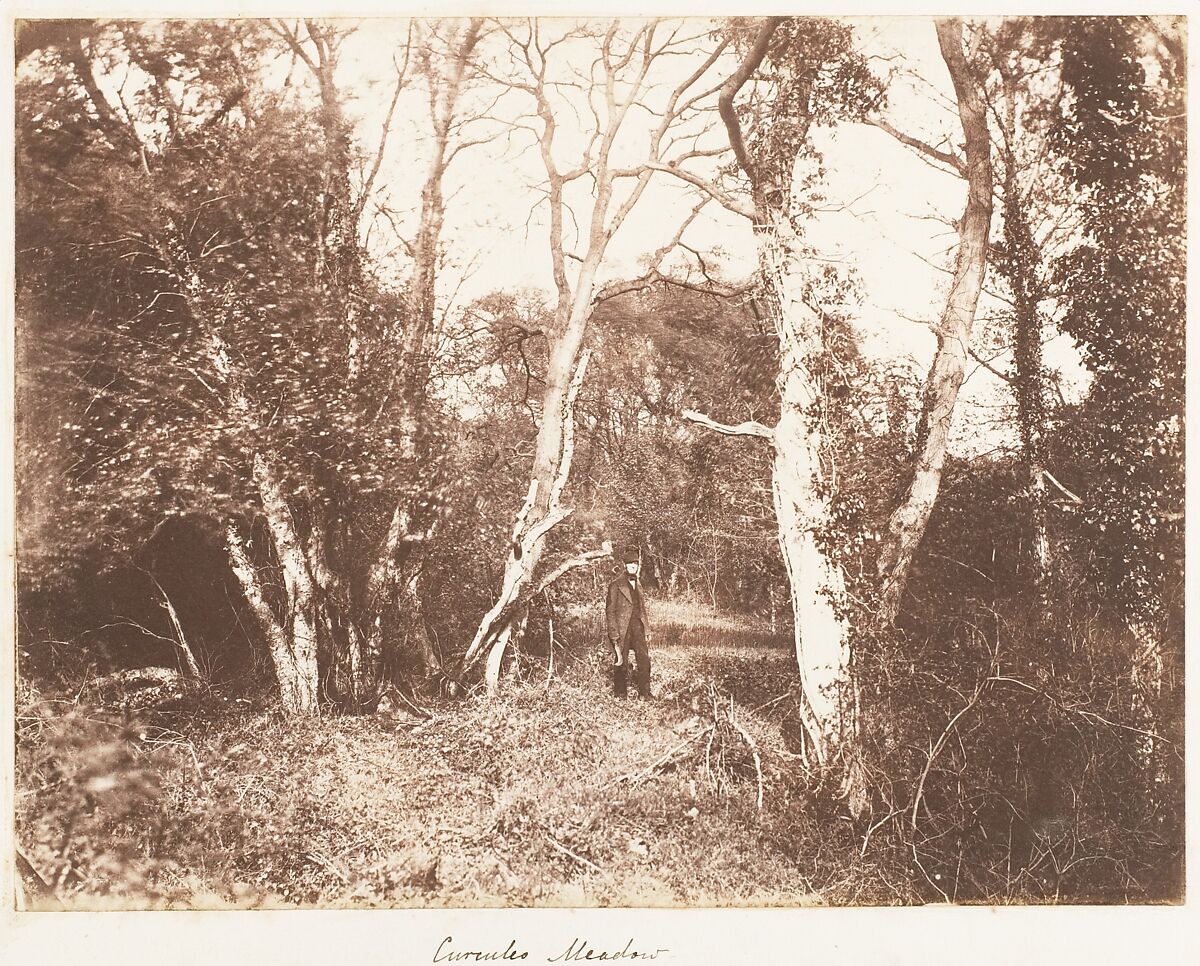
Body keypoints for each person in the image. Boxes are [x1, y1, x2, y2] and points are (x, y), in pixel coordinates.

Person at [605, 547, 652, 698]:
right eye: (630, 564)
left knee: (644, 660)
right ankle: (620, 694)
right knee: (621, 662)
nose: (633, 566)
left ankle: (645, 693)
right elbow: (610, 611)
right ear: (625, 565)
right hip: (622, 629)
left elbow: (642, 609)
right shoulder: (615, 585)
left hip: (638, 628)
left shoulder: (638, 584)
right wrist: (614, 634)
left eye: (636, 564)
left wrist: (647, 630)